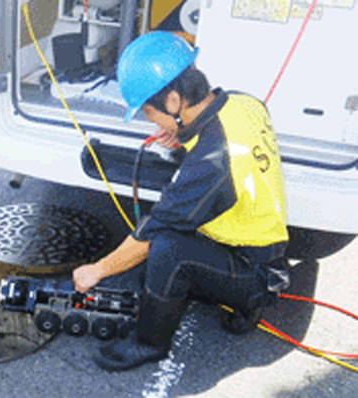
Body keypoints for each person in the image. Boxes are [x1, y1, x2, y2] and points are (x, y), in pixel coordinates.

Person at [73, 31, 290, 371]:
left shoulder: (212, 161)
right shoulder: (243, 102)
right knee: (168, 234)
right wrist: (182, 137)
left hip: (254, 272)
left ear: (173, 101)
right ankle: (235, 297)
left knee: (165, 249)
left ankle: (149, 343)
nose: (150, 121)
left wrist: (95, 271)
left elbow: (155, 229)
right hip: (262, 243)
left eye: (148, 113)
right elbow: (220, 141)